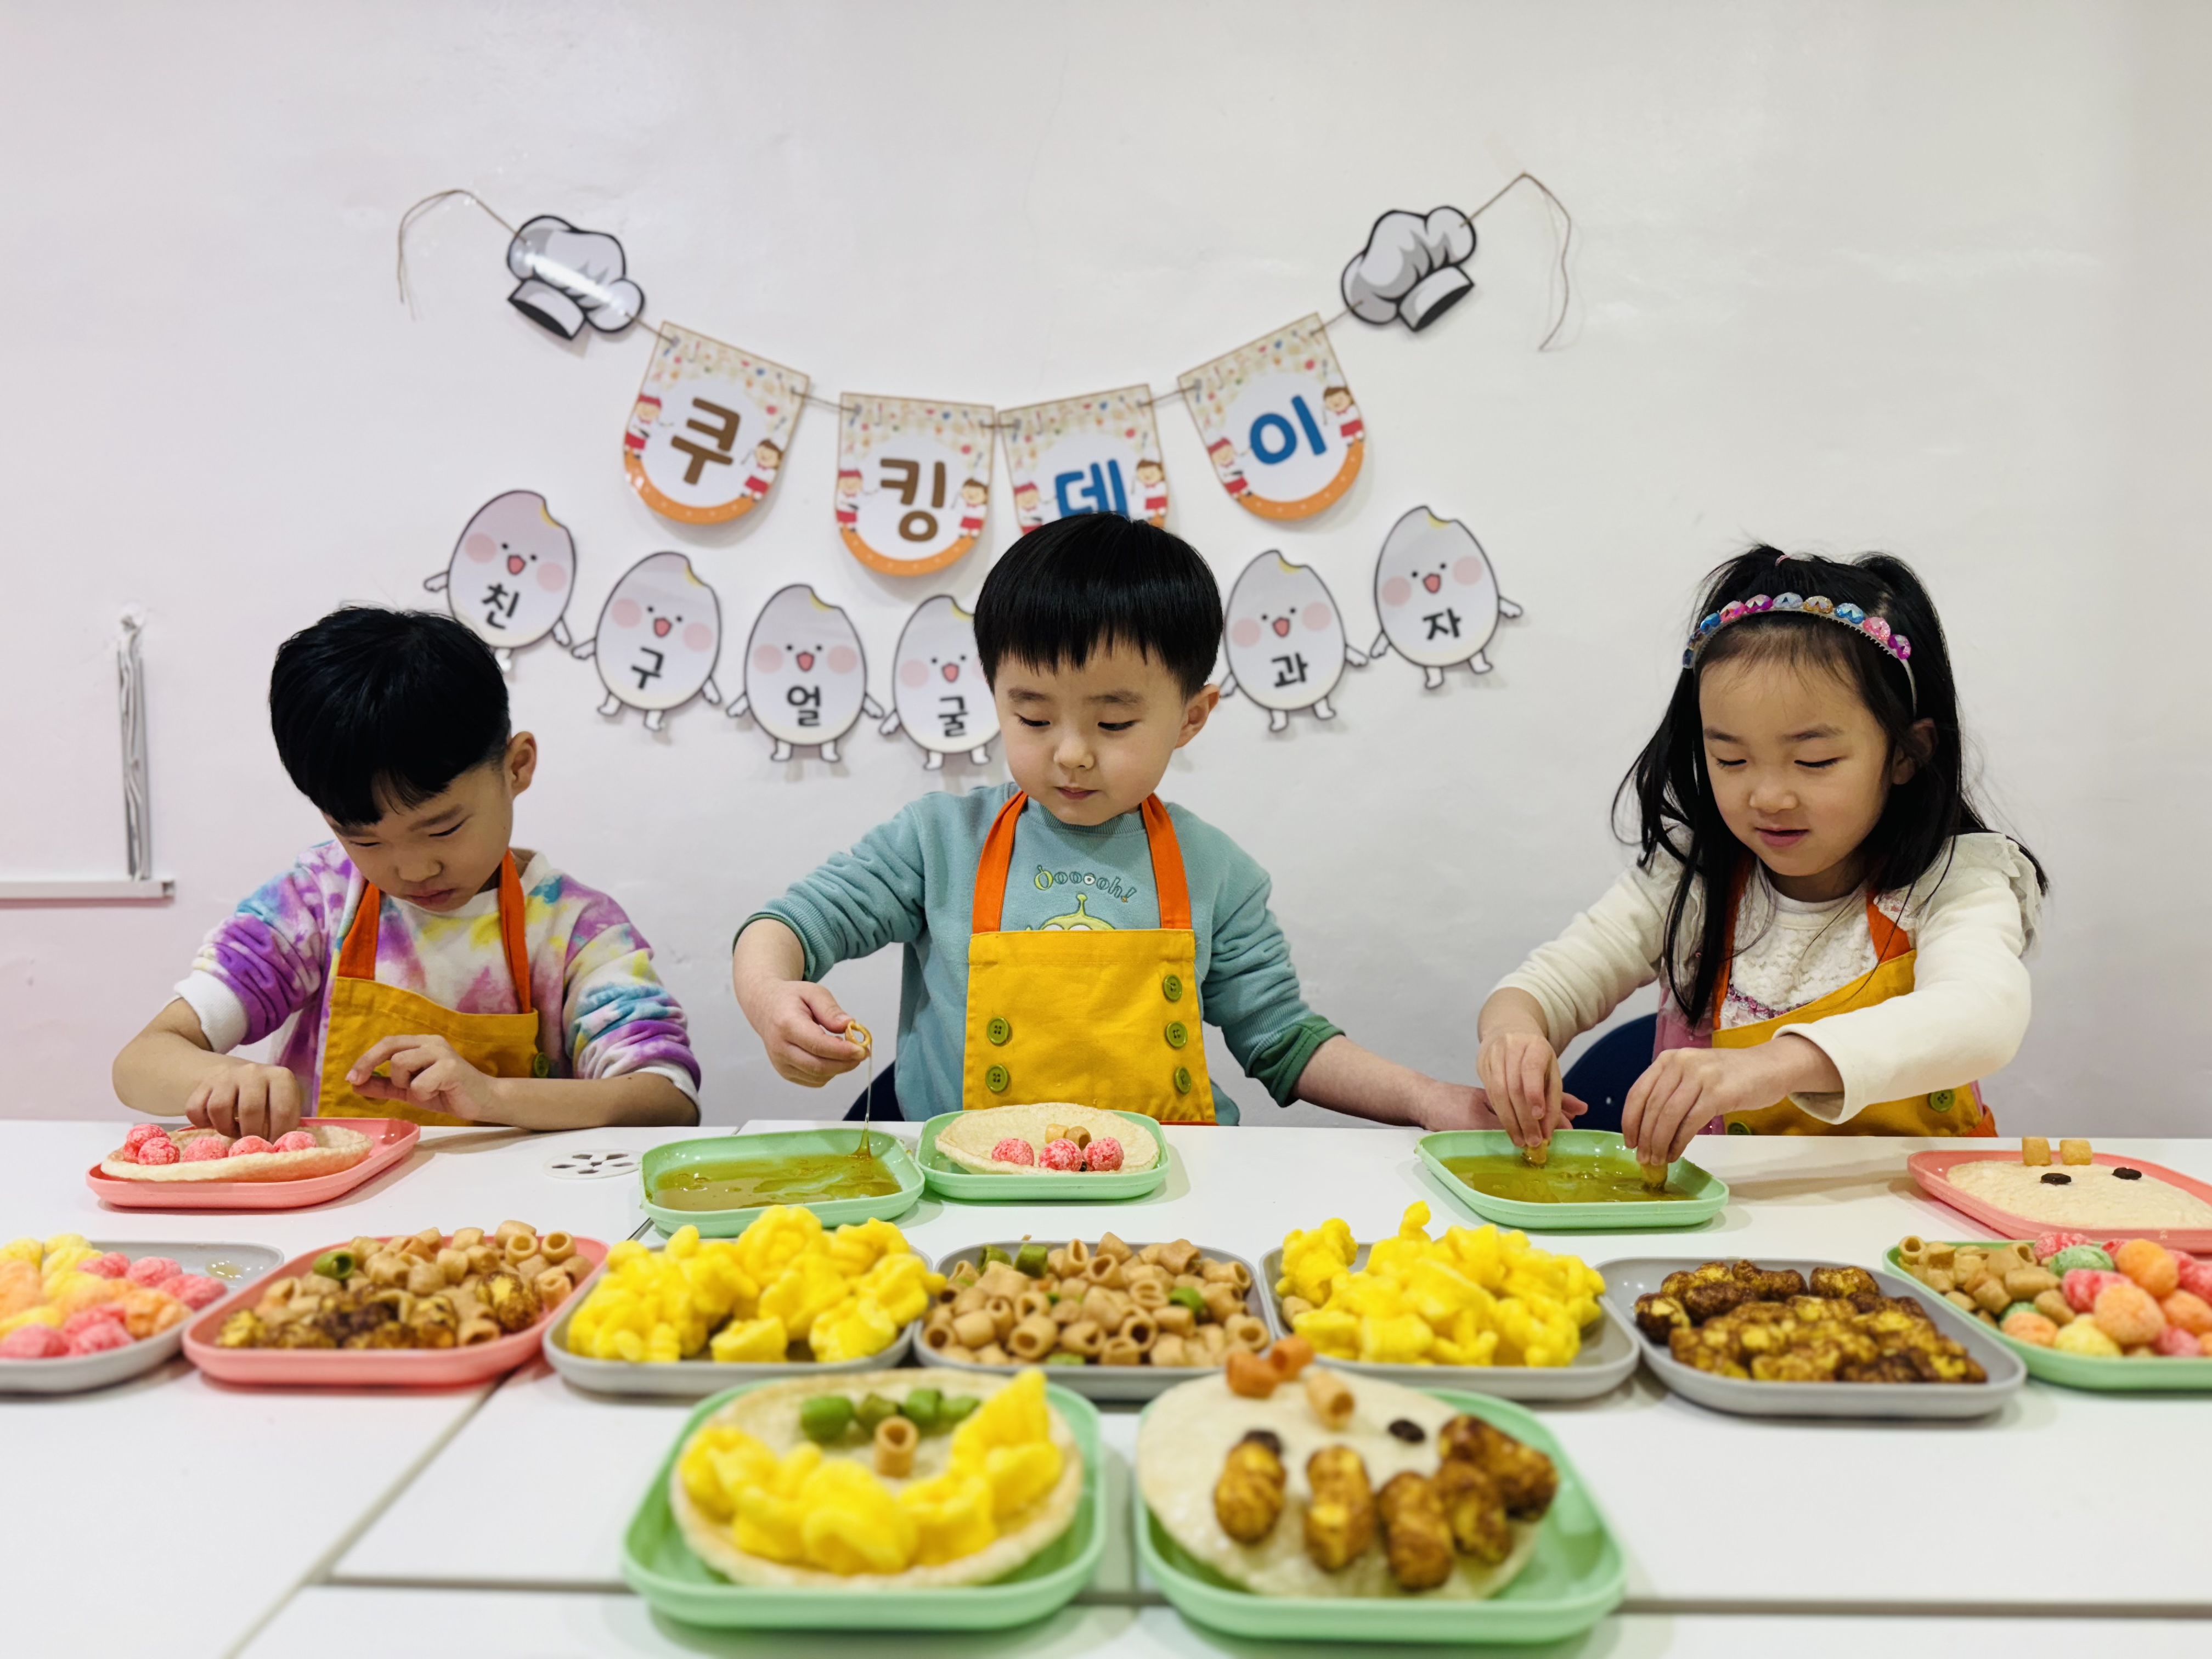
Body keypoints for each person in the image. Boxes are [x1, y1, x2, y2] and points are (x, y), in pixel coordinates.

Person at [731, 513, 1487, 1130]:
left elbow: (1284, 1041)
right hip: (970, 1196)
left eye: (1115, 723)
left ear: (1192, 717)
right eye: (1032, 717)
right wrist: (770, 996)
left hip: (1171, 1200)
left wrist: (1425, 1098)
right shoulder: (938, 843)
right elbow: (790, 925)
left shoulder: (1217, 872)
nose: (1071, 753)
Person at [1477, 549, 2044, 1165]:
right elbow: (1545, 987)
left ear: (1907, 753)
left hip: (1916, 1207)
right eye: (1731, 759)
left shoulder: (1956, 881)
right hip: (1730, 1215)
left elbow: (1983, 1015)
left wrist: (1775, 1065)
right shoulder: (1690, 880)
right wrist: (1514, 1037)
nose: (1768, 796)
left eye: (1814, 761)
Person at [112, 608, 701, 1137]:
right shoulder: (318, 902)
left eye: (443, 828)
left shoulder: (573, 930)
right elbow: (140, 1061)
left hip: (516, 1215)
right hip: (340, 1214)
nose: (414, 869)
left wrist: (493, 1096)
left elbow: (666, 1100)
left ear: (517, 767)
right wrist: (223, 1078)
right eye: (363, 839)